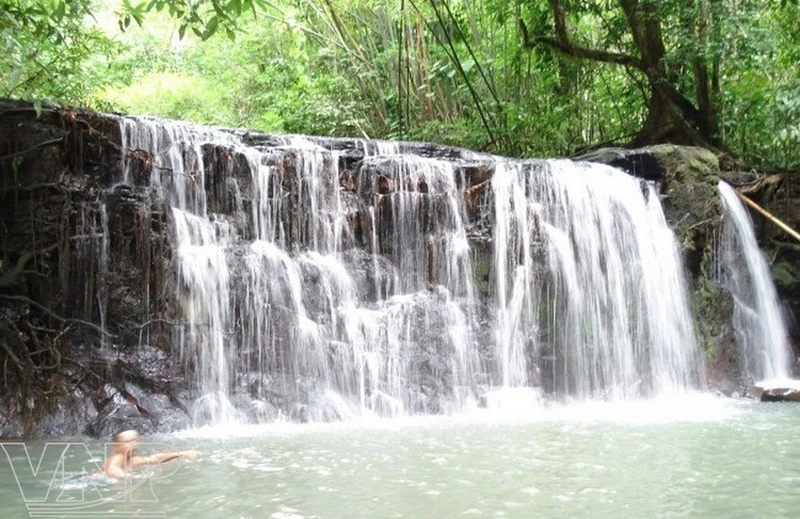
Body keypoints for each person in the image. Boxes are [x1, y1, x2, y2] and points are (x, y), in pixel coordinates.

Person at [102, 429, 202, 479]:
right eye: (128, 442)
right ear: (117, 446)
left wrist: (180, 454)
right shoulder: (119, 457)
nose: (133, 444)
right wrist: (129, 477)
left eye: (135, 440)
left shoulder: (132, 460)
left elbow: (154, 458)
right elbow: (112, 469)